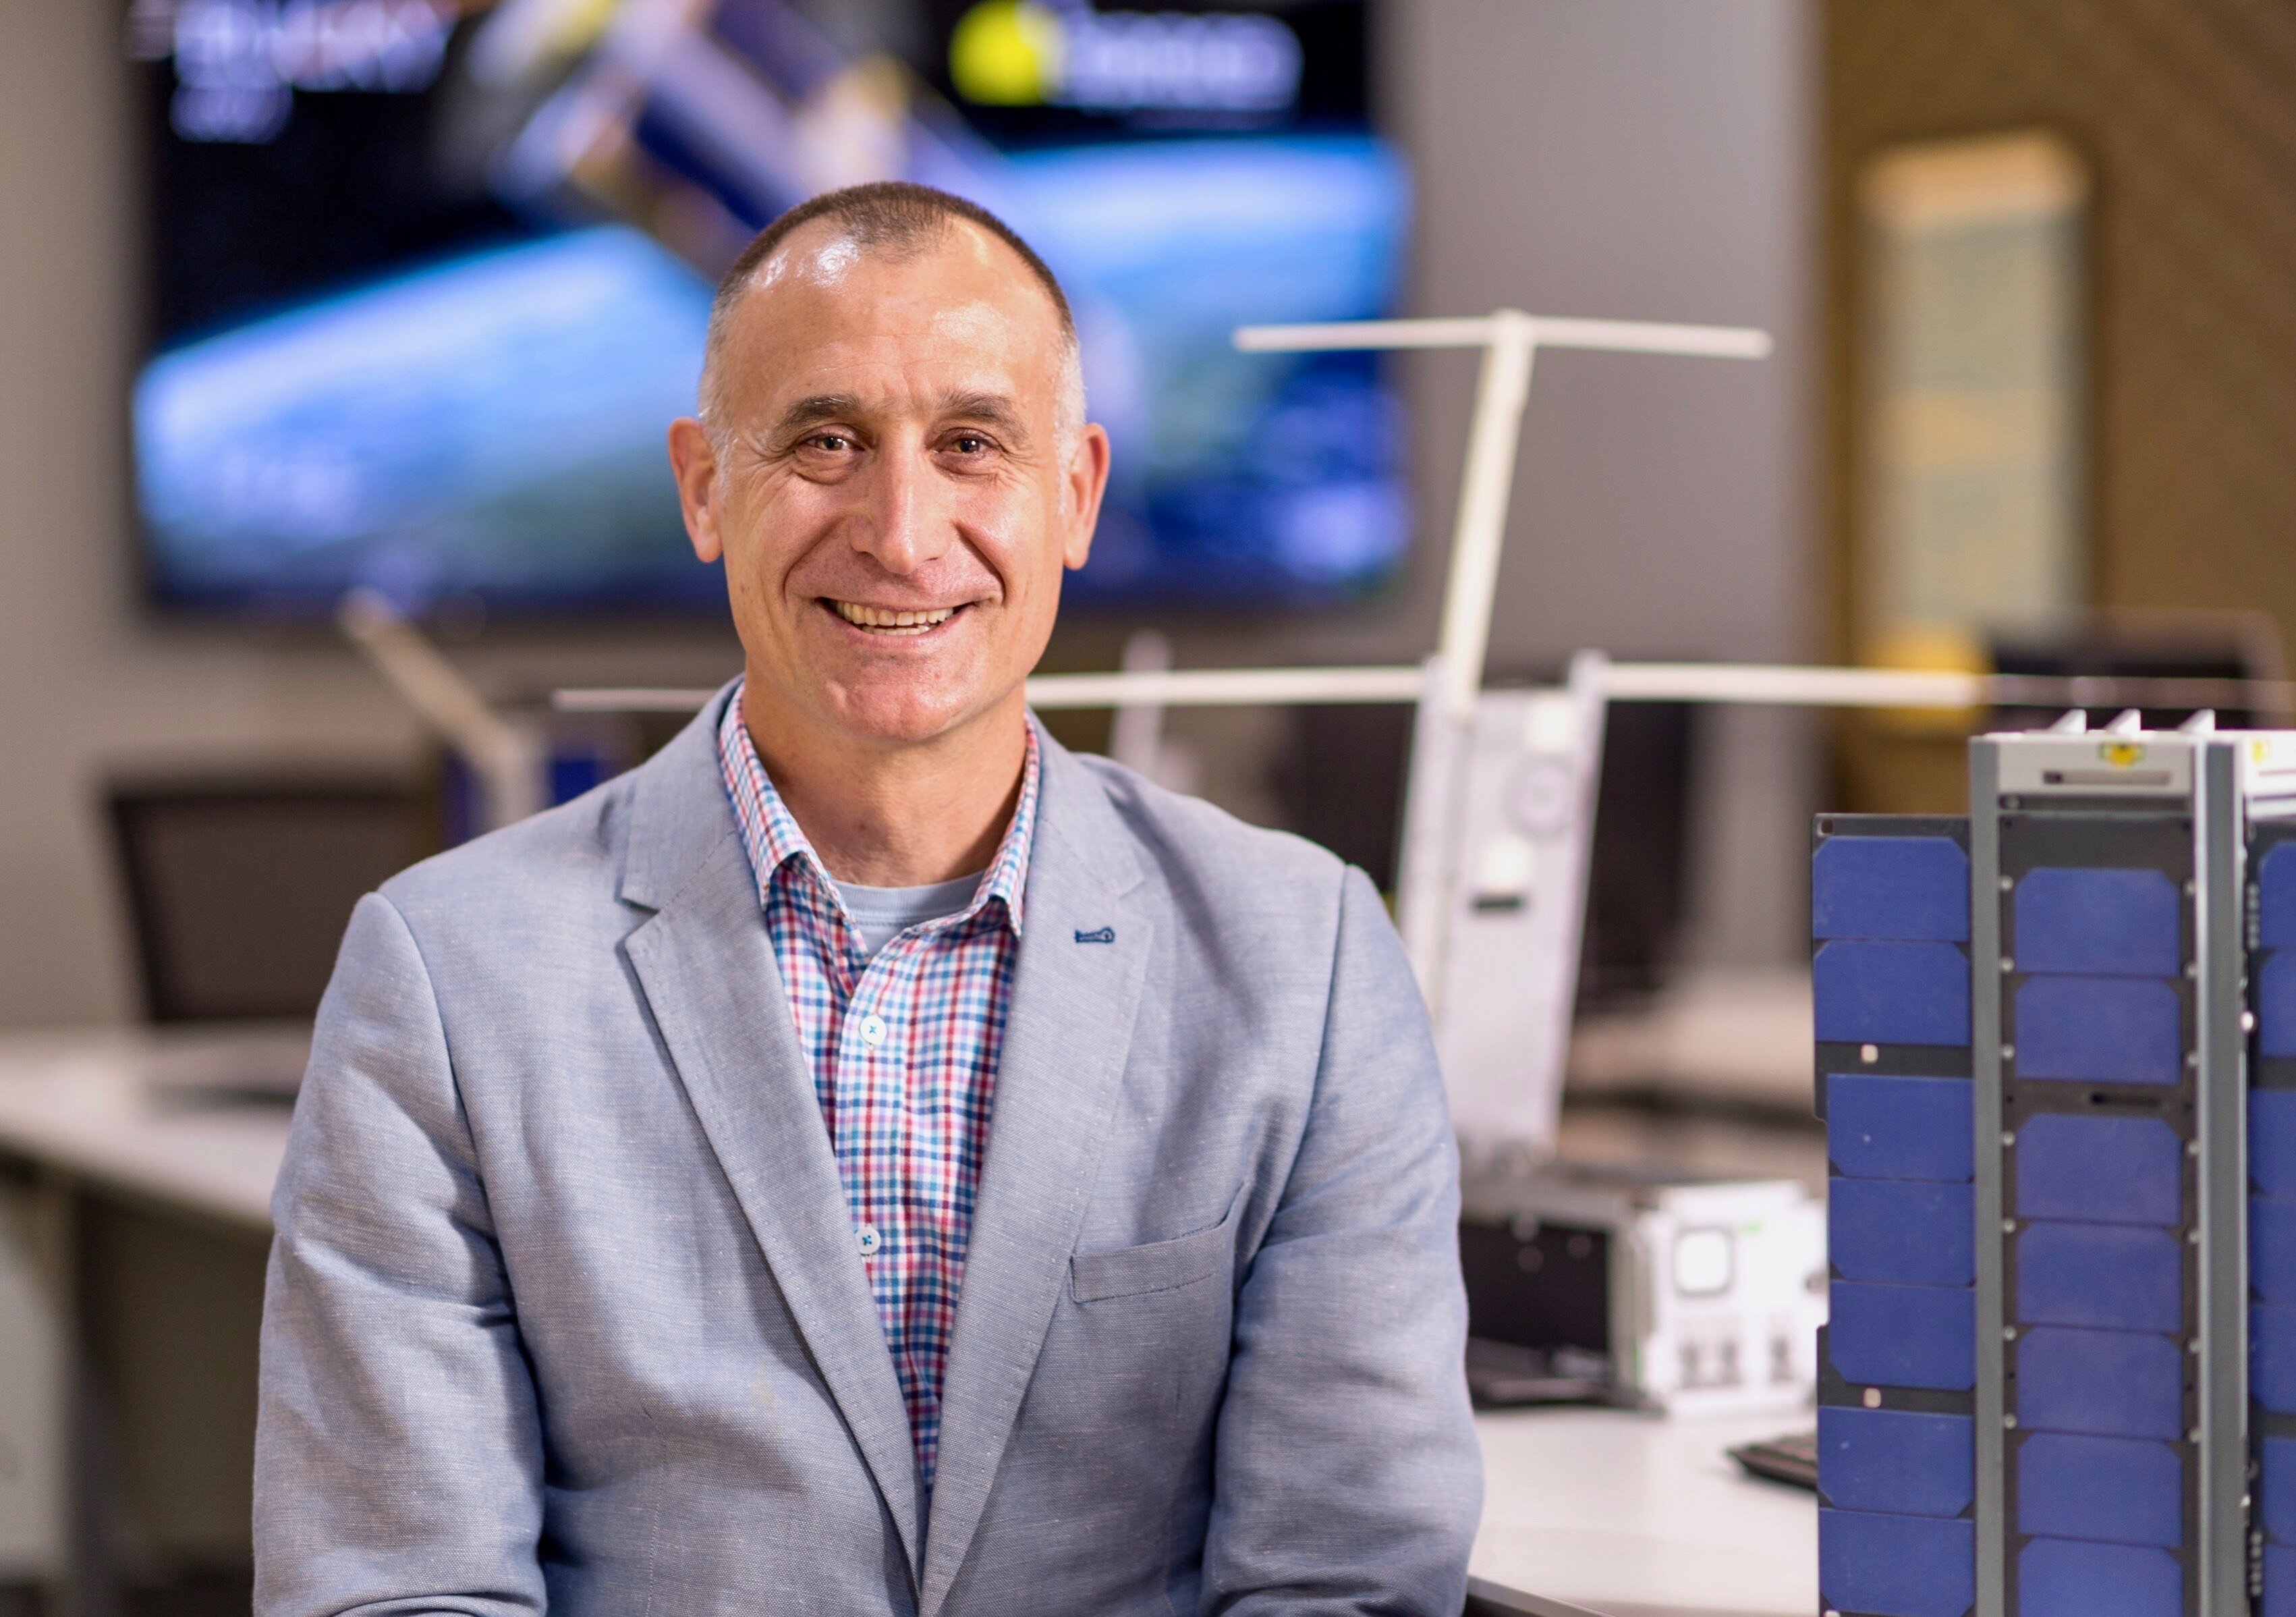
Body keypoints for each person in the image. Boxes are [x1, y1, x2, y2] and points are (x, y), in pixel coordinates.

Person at [254, 181, 1482, 1616]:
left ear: (1075, 493)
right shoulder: (448, 976)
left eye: (972, 445)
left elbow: (1347, 1582)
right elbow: (398, 1586)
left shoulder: (1306, 960)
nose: (903, 532)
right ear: (707, 486)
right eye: (824, 443)